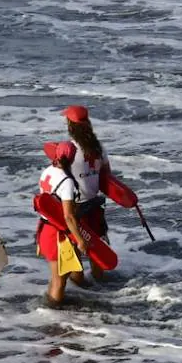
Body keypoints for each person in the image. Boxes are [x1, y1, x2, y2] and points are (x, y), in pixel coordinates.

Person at [62, 104, 114, 280]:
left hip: (75, 207)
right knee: (97, 250)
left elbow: (59, 180)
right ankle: (100, 288)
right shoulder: (99, 148)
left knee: (75, 251)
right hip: (95, 205)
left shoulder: (68, 151)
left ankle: (83, 292)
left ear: (70, 125)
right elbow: (107, 176)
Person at [37, 141, 89, 307]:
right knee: (60, 280)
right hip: (56, 235)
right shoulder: (66, 181)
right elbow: (68, 216)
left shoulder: (48, 171)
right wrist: (80, 240)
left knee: (61, 275)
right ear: (73, 159)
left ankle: (50, 305)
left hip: (45, 228)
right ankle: (52, 317)